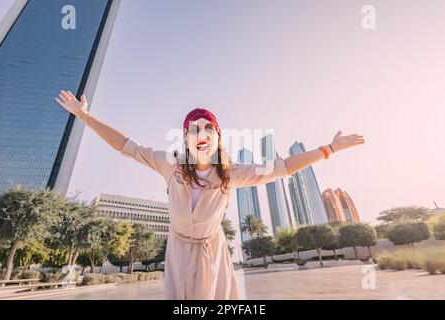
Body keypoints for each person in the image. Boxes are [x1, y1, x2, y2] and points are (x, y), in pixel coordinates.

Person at [55, 90, 365, 299]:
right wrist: (84, 116)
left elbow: (281, 167)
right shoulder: (171, 163)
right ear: (186, 137)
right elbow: (127, 146)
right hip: (177, 248)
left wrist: (330, 148)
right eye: (194, 128)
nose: (201, 133)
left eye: (208, 128)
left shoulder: (232, 173)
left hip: (211, 250)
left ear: (217, 137)